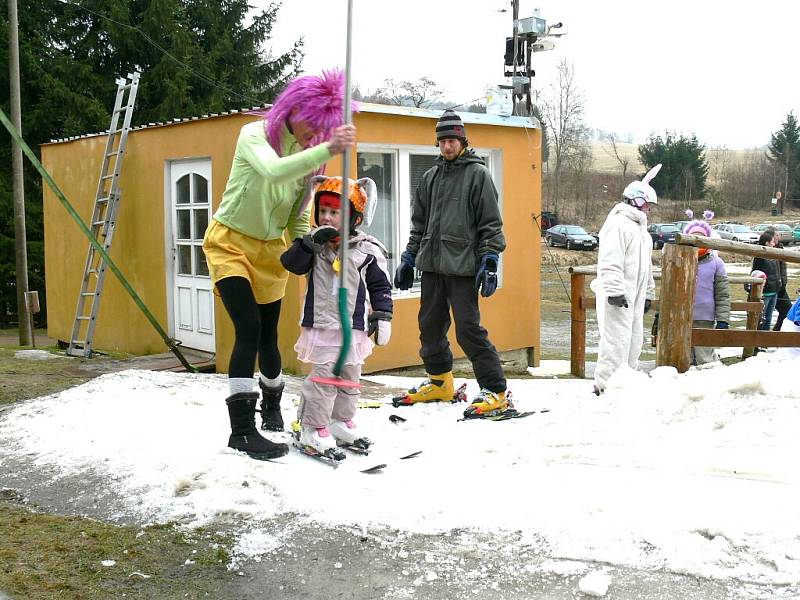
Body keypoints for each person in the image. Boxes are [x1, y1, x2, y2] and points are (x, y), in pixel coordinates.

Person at [202, 70, 357, 460]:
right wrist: (328, 150)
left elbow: (295, 219)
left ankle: (272, 406)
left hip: (271, 252)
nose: (316, 133)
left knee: (270, 335)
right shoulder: (254, 135)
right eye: (314, 123)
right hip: (230, 243)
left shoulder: (309, 162)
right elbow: (272, 170)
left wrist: (314, 243)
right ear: (295, 109)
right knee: (248, 327)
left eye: (324, 129)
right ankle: (241, 431)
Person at [393, 109, 508, 418]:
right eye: (442, 140)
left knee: (468, 329)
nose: (447, 146)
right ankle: (440, 381)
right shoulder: (430, 178)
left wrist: (490, 258)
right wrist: (408, 257)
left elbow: (491, 224)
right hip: (431, 265)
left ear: (462, 141)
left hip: (463, 267)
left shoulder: (477, 175)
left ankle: (496, 390)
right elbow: (419, 224)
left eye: (452, 140)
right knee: (429, 327)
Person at [280, 176, 392, 455]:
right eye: (323, 211)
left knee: (350, 376)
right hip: (322, 324)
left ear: (353, 217)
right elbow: (290, 264)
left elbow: (380, 285)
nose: (327, 217)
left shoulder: (367, 248)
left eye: (335, 212)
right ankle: (312, 427)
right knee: (324, 378)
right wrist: (307, 244)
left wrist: (383, 314)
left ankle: (340, 420)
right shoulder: (313, 245)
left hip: (352, 325)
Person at [590, 165, 661, 395]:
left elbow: (646, 267)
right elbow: (610, 260)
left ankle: (625, 383)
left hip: (636, 296)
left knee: (633, 339)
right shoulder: (618, 225)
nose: (649, 209)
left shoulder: (642, 232)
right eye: (647, 204)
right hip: (618, 295)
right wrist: (614, 290)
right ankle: (604, 385)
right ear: (637, 200)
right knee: (615, 341)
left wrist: (649, 292)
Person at [683, 219, 731, 365]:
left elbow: (722, 294)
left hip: (705, 319)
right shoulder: (681, 258)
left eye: (701, 238)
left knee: (704, 358)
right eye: (693, 238)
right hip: (681, 317)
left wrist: (723, 319)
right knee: (684, 357)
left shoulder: (716, 263)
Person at [752, 230, 782, 332]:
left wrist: (779, 283)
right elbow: (755, 272)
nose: (774, 244)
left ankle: (764, 343)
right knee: (760, 318)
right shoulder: (759, 257)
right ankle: (755, 344)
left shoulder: (774, 255)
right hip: (765, 292)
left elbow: (777, 271)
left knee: (768, 319)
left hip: (774, 291)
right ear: (766, 243)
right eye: (772, 242)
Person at [764, 226, 791, 331]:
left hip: (780, 286)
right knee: (765, 315)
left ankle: (776, 333)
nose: (778, 237)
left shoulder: (780, 248)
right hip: (772, 286)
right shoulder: (766, 250)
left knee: (786, 311)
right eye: (776, 235)